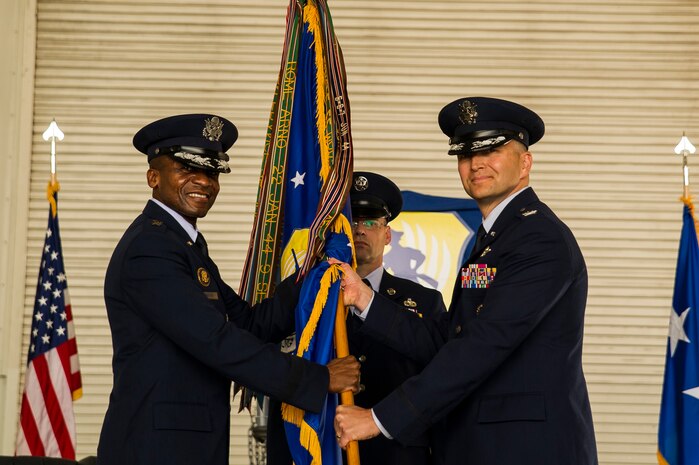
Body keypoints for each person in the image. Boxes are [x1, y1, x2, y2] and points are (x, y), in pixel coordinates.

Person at [333, 98, 598, 464]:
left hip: (523, 449)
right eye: (465, 154)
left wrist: (379, 419)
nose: (476, 163)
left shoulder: (539, 239)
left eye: (492, 149)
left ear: (525, 162)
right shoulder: (494, 239)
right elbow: (448, 339)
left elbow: (482, 345)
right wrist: (364, 297)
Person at [97, 114, 360, 465]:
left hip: (185, 445)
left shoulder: (184, 245)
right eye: (186, 169)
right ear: (153, 177)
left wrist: (315, 273)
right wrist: (318, 378)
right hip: (156, 448)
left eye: (212, 172)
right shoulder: (151, 248)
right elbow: (216, 341)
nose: (203, 182)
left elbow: (250, 324)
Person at [266, 171, 446, 465]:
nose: (360, 229)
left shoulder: (425, 301)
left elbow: (440, 379)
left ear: (387, 235)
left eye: (371, 222)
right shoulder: (300, 295)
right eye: (351, 220)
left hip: (395, 454)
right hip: (315, 452)